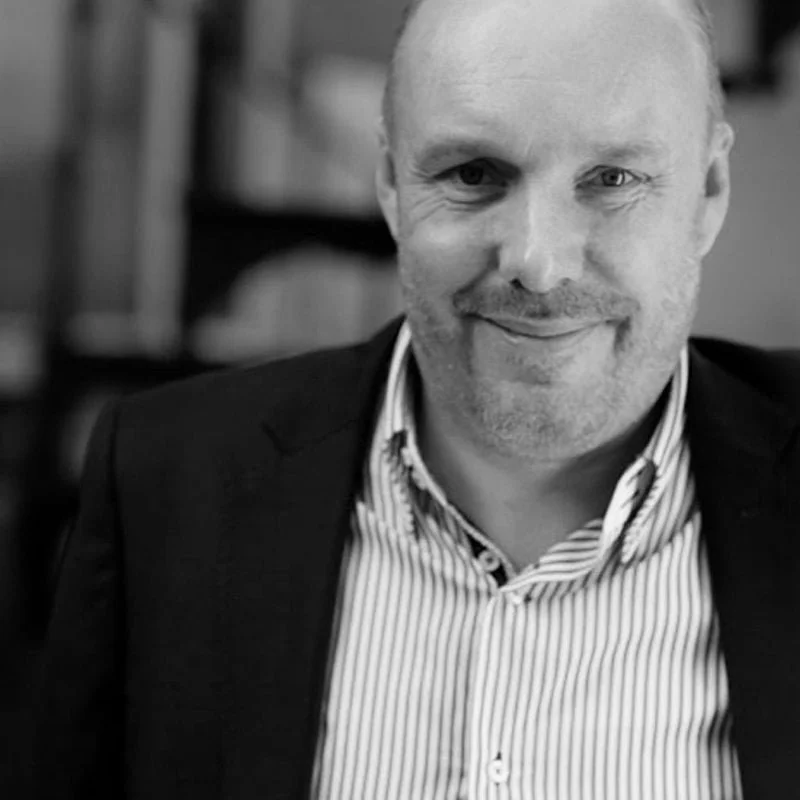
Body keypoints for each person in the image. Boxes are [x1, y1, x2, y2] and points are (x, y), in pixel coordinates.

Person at [27, 0, 800, 797]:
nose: (538, 262)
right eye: (472, 174)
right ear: (393, 184)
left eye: (612, 179)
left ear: (708, 192)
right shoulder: (164, 482)